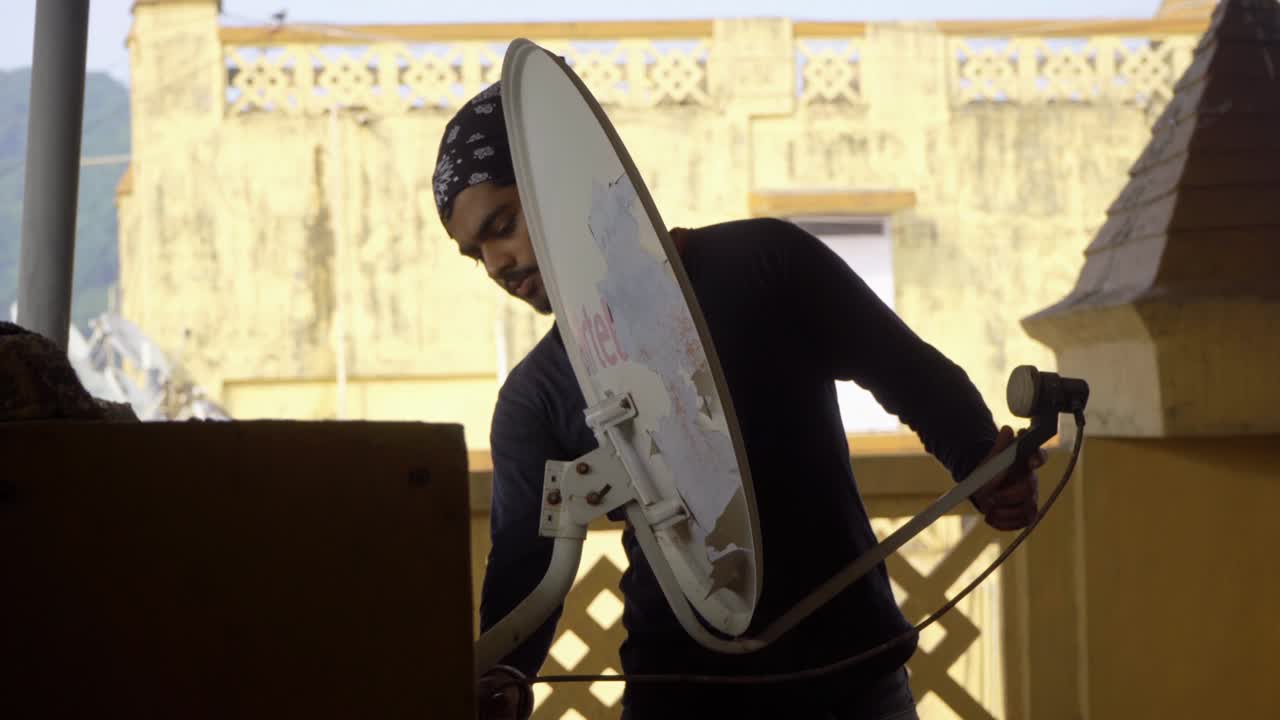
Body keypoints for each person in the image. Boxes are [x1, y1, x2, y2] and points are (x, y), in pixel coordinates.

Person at [435, 81, 1044, 720]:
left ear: (556, 181)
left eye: (503, 226)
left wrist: (981, 465)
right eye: (476, 254)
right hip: (680, 699)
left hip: (855, 679)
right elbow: (526, 568)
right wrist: (502, 679)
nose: (497, 263)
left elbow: (909, 374)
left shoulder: (765, 263)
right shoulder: (533, 399)